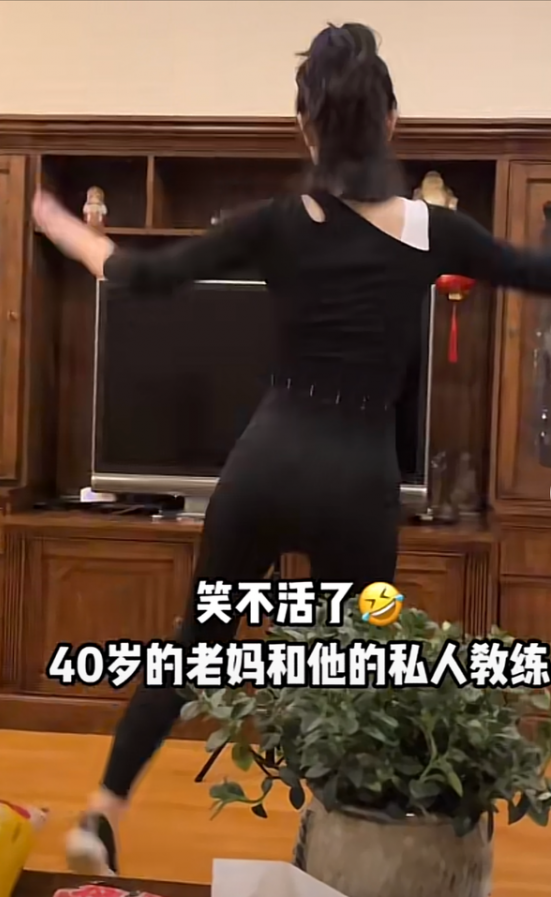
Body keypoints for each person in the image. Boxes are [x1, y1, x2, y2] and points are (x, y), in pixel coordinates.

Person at [33, 23, 551, 876]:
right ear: (390, 123)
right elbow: (535, 270)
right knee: (355, 666)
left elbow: (140, 277)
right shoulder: (436, 231)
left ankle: (103, 810)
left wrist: (62, 225)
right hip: (360, 480)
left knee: (197, 641)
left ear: (306, 128)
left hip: (266, 464)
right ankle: (342, 853)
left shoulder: (279, 222)